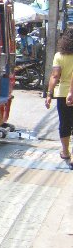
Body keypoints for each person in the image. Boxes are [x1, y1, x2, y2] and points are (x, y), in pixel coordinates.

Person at [45, 27, 73, 162]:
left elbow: (55, 76)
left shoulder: (59, 56)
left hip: (62, 94)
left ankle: (66, 152)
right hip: (70, 93)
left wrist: (49, 94)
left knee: (65, 123)